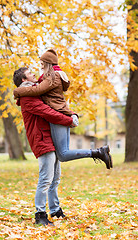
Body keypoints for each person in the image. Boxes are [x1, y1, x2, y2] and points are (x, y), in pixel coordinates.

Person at [13, 49, 113, 169]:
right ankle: (97, 152)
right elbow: (40, 89)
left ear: (47, 63)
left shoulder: (52, 77)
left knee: (63, 154)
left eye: (42, 63)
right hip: (62, 114)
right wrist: (71, 114)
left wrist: (17, 91)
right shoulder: (52, 76)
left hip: (58, 117)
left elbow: (37, 90)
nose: (40, 66)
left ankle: (97, 152)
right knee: (62, 153)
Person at [13, 67, 77, 226]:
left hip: (49, 138)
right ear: (24, 79)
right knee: (45, 179)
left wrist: (56, 70)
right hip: (41, 140)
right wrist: (69, 120)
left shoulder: (34, 91)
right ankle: (40, 214)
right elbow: (47, 112)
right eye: (30, 73)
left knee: (55, 179)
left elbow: (52, 100)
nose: (34, 74)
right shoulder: (28, 96)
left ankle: (55, 210)